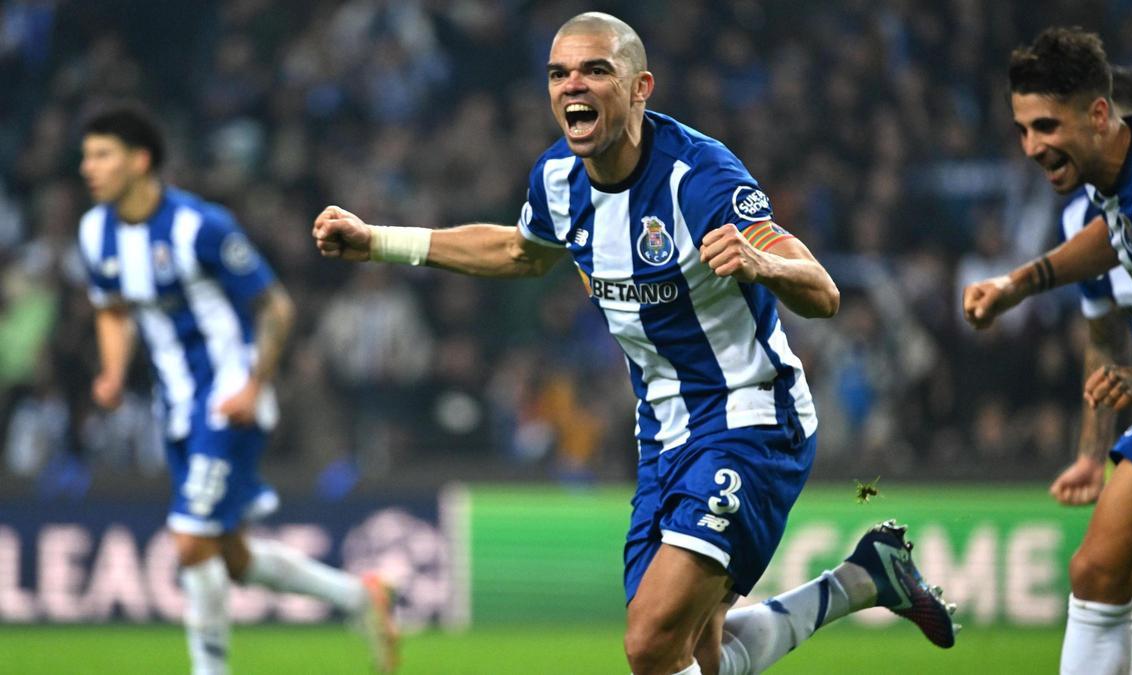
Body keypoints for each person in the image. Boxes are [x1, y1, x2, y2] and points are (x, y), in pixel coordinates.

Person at [314, 12, 956, 675]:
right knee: (691, 655)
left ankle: (861, 579)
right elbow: (518, 250)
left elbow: (822, 291)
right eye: (559, 73)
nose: (573, 86)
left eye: (596, 70)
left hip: (749, 419)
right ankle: (863, 577)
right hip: (662, 436)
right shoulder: (558, 181)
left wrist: (762, 263)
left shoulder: (697, 177)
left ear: (640, 87)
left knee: (649, 642)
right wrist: (378, 241)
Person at [77, 105, 398, 675]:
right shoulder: (95, 231)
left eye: (102, 155)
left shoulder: (201, 226)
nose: (88, 167)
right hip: (174, 408)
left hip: (228, 401)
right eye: (87, 155)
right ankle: (359, 597)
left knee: (190, 542)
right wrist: (110, 371)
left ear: (140, 160)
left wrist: (254, 385)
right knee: (232, 557)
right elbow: (112, 308)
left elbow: (275, 304)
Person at [963, 27, 1132, 674]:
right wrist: (1018, 284)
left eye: (1046, 126)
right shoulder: (1113, 171)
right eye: (1022, 130)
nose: (1033, 146)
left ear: (1099, 113)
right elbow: (1111, 238)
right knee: (1100, 572)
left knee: (1123, 579)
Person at [1048, 65, 1132, 675]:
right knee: (1129, 584)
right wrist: (1089, 452)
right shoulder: (1085, 221)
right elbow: (1104, 338)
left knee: (1116, 580)